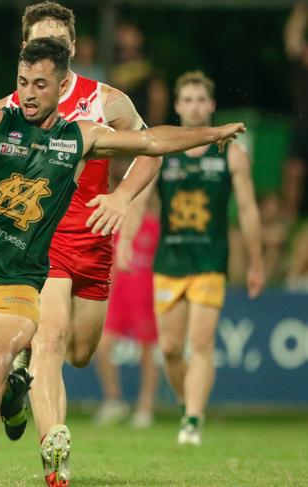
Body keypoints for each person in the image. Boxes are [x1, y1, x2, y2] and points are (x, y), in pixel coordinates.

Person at [0, 38, 244, 487]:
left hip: (22, 277)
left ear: (61, 85)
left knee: (2, 354)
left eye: (39, 84)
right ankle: (11, 391)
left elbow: (151, 141)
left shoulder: (80, 138)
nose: (28, 93)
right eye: (23, 82)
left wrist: (210, 134)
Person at [0, 2, 160, 484]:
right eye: (38, 39)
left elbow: (150, 147)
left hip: (93, 239)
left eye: (57, 40)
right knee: (48, 340)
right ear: (25, 47)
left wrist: (123, 197)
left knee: (80, 351)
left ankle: (16, 387)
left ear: (71, 49)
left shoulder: (105, 100)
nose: (47, 46)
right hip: (35, 239)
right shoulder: (10, 106)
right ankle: (55, 455)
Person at [120, 71, 264, 446]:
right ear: (178, 106)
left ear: (212, 106)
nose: (196, 106)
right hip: (169, 261)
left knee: (199, 343)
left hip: (210, 262)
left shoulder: (231, 151)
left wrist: (256, 261)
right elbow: (138, 199)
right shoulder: (164, 149)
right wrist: (126, 242)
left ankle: (194, 420)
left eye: (202, 99)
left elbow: (248, 210)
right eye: (189, 99)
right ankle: (189, 406)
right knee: (169, 349)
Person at [93, 162, 160, 429]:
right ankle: (113, 400)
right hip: (117, 295)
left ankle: (145, 408)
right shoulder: (114, 222)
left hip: (145, 295)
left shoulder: (154, 226)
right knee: (102, 347)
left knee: (147, 353)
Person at [111, 22, 169, 126]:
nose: (125, 41)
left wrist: (151, 129)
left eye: (130, 37)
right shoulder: (111, 65)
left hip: (143, 128)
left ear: (139, 39)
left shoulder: (149, 69)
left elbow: (158, 100)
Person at [282, 1, 308, 219]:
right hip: (304, 122)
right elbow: (292, 36)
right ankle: (289, 219)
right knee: (294, 170)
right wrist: (302, 6)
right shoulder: (304, 53)